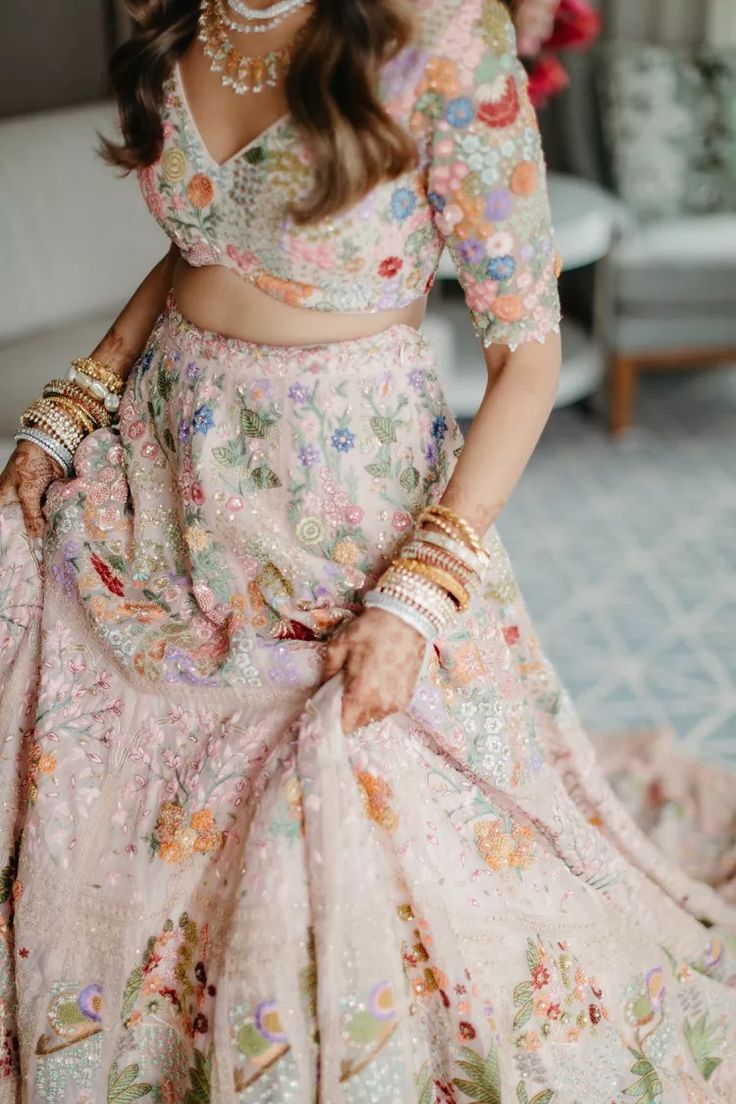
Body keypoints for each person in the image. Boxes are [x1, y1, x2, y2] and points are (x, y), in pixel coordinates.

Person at [0, 0, 733, 1100]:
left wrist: (417, 595)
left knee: (365, 835)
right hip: (161, 474)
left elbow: (528, 353)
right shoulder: (178, 12)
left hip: (341, 507)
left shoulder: (442, 35)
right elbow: (206, 237)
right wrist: (86, 391)